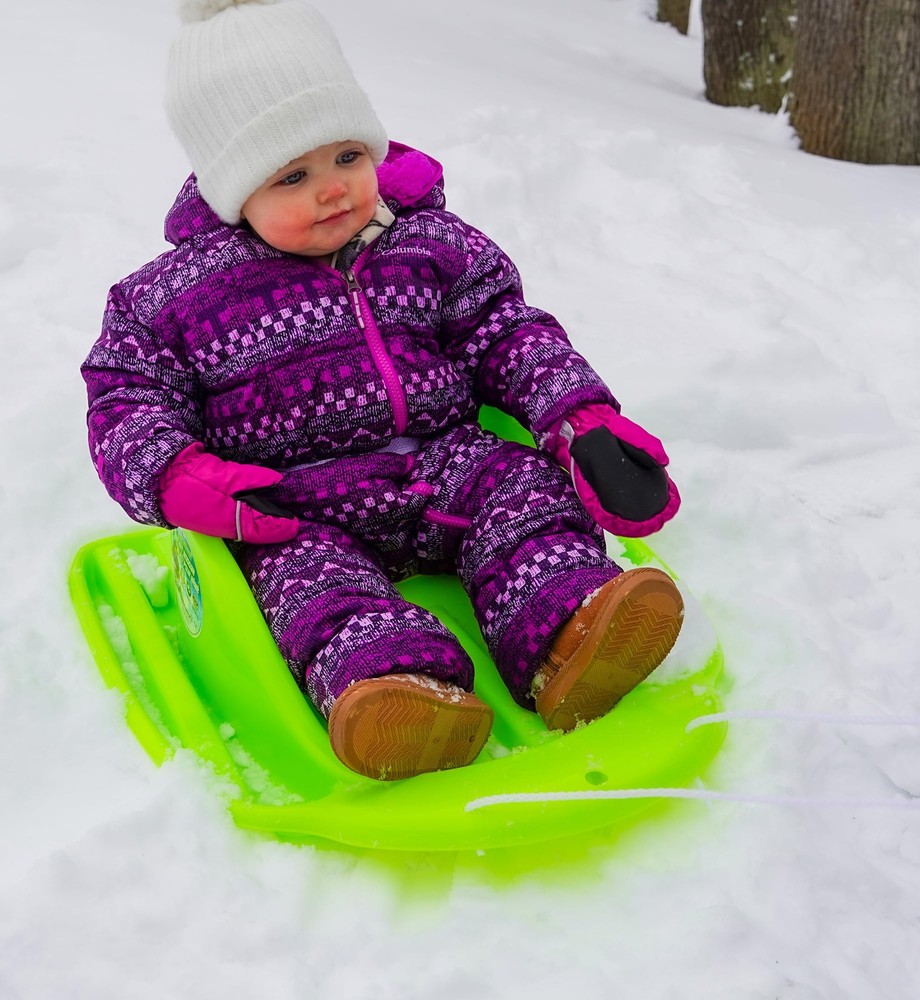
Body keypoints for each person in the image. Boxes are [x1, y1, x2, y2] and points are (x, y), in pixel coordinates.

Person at [82, 0, 684, 781]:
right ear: (234, 190)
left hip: (446, 466)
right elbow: (125, 395)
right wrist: (179, 478)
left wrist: (579, 418)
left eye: (347, 156)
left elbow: (507, 330)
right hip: (295, 504)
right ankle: (393, 688)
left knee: (524, 489)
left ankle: (567, 632)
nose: (333, 189)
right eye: (293, 175)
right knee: (308, 587)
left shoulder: (430, 242)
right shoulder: (172, 299)